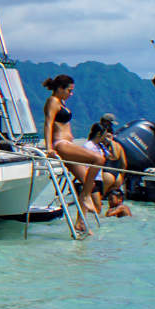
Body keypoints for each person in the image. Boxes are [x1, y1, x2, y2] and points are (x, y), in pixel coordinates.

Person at [43, 74, 104, 228]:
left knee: (88, 183)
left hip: (68, 144)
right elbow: (48, 124)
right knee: (99, 159)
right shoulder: (53, 101)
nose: (71, 94)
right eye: (69, 90)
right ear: (60, 89)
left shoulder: (61, 102)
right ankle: (85, 197)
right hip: (61, 144)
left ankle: (80, 223)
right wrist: (49, 148)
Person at [83, 123, 119, 212]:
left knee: (98, 207)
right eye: (104, 134)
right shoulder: (88, 146)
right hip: (91, 179)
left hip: (99, 179)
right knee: (97, 207)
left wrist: (111, 142)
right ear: (99, 134)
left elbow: (113, 157)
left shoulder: (101, 147)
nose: (105, 137)